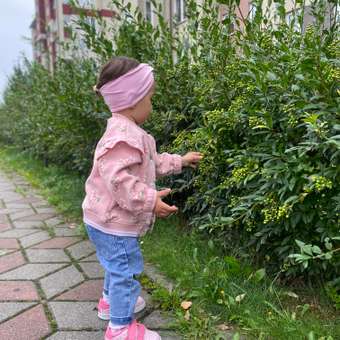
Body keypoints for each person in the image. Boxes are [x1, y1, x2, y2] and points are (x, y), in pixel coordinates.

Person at [82, 56, 203, 340]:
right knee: (125, 268)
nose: (152, 104)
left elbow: (153, 162)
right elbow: (119, 182)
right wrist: (150, 200)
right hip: (113, 223)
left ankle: (110, 303)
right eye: (150, 98)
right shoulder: (124, 137)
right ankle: (120, 328)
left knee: (115, 264)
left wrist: (181, 161)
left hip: (103, 219)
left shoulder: (129, 132)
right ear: (132, 100)